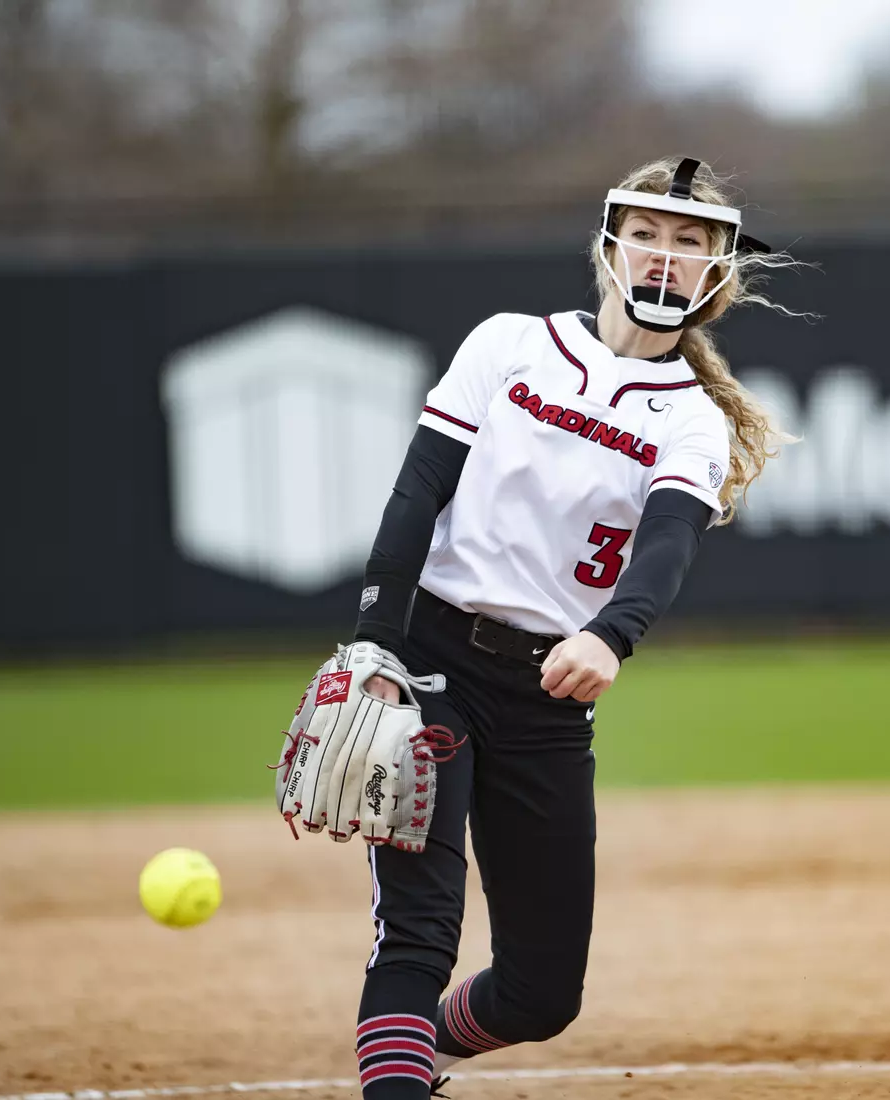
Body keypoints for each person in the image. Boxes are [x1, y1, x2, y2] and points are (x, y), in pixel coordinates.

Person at [338, 156, 803, 1098]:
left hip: (548, 695)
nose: (664, 257)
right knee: (421, 929)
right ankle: (395, 1070)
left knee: (541, 993)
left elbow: (667, 545)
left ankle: (409, 1046)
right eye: (648, 235)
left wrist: (611, 634)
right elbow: (416, 492)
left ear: (717, 273)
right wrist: (376, 641)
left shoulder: (693, 422)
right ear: (610, 245)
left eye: (691, 242)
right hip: (430, 663)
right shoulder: (509, 344)